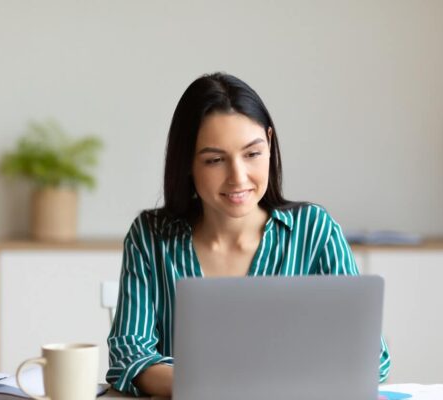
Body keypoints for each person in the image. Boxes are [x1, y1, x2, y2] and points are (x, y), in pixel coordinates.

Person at [106, 72, 391, 396]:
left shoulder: (315, 231)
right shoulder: (151, 237)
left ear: (269, 144)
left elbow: (371, 357)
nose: (238, 177)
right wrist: (211, 390)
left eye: (252, 154)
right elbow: (129, 356)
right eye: (215, 160)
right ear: (187, 163)